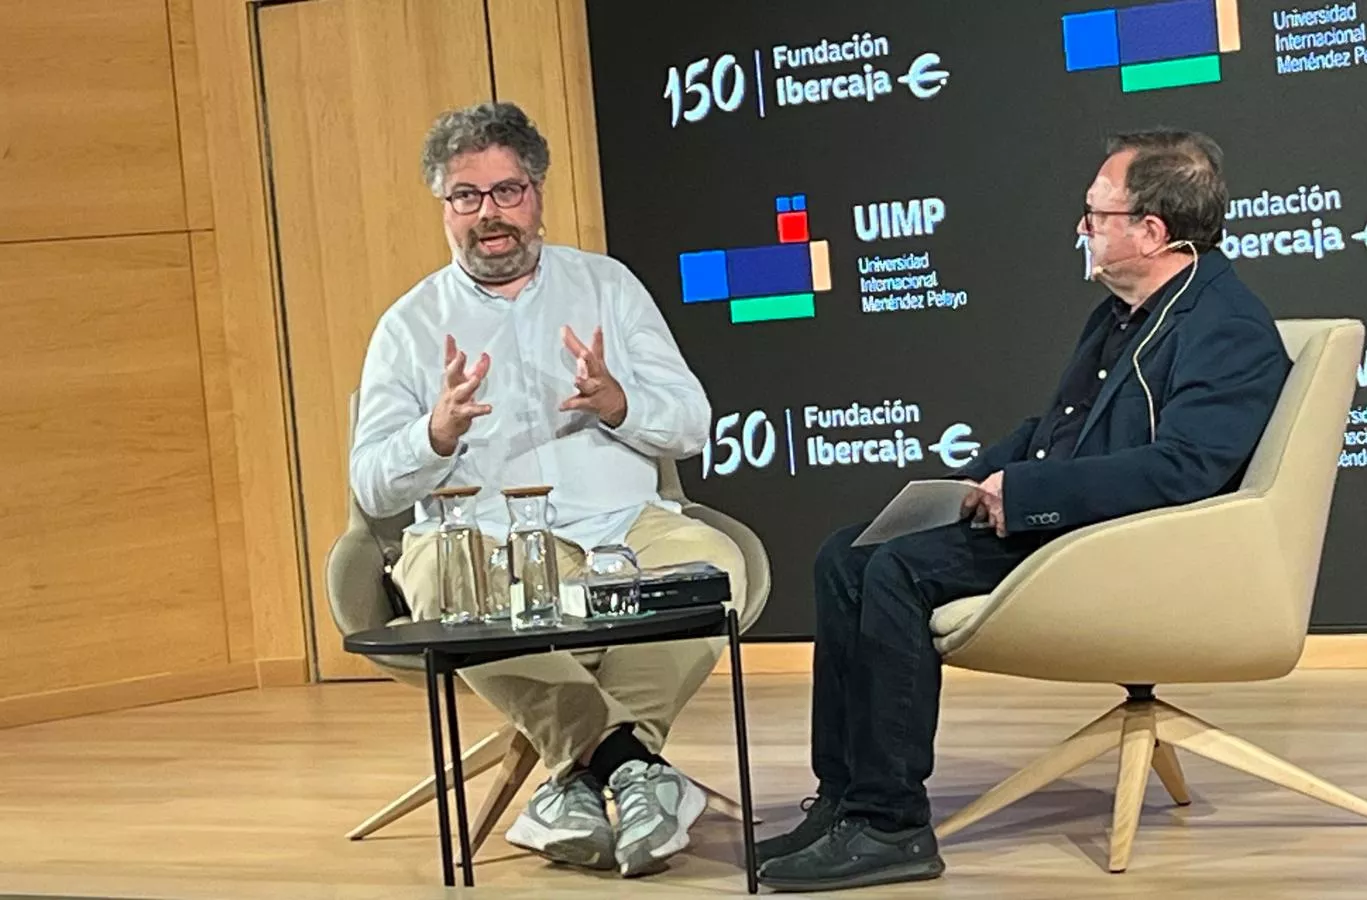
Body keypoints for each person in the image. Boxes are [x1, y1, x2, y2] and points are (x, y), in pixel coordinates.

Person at [753, 129, 1293, 893]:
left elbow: (1188, 470)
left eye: (1096, 214)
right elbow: (1056, 432)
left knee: (898, 574)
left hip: (1119, 549)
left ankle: (892, 825)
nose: (1082, 228)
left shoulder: (1225, 325)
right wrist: (978, 481)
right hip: (1068, 522)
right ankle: (844, 801)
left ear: (1152, 230)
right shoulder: (1122, 312)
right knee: (847, 554)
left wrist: (1032, 498)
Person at [349, 101, 748, 879]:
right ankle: (630, 766)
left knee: (715, 565)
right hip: (485, 545)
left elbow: (693, 424)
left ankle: (573, 779)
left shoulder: (608, 287)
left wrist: (618, 403)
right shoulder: (408, 325)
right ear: (444, 207)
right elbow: (370, 484)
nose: (489, 215)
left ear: (537, 194)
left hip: (622, 528)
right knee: (436, 575)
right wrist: (433, 433)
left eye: (507, 191)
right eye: (467, 196)